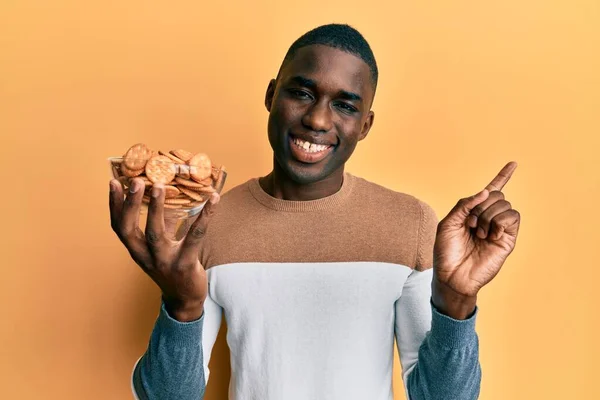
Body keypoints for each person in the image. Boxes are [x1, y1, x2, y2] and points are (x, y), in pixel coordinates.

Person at [109, 23, 521, 400]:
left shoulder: (410, 223)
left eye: (345, 105)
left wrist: (456, 301)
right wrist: (180, 306)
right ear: (272, 95)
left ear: (365, 125)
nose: (318, 119)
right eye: (302, 93)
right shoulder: (207, 222)